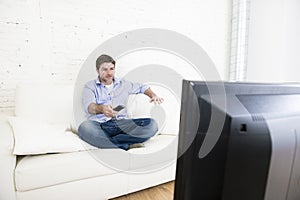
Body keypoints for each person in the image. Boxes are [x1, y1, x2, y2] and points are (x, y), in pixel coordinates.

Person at [78, 54, 164, 150]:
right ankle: (124, 144)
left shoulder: (124, 84)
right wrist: (102, 108)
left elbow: (142, 87)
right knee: (84, 128)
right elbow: (89, 107)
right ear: (97, 71)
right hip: (100, 125)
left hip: (122, 124)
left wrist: (153, 95)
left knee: (152, 125)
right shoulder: (90, 86)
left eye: (111, 69)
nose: (109, 73)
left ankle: (110, 142)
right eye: (104, 69)